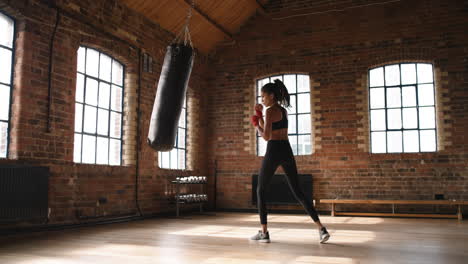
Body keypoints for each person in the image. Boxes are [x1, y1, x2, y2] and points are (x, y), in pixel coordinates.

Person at [250, 79, 330, 244]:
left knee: (260, 190)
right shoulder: (282, 110)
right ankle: (321, 229)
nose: (262, 100)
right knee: (298, 191)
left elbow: (266, 136)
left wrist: (256, 124)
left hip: (273, 150)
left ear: (271, 96)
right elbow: (272, 130)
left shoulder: (271, 110)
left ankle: (264, 233)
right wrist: (259, 117)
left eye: (263, 96)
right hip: (286, 149)